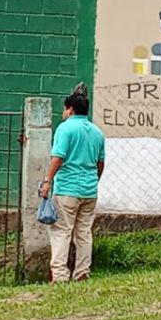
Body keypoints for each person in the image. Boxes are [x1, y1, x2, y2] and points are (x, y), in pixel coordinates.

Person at [39, 85, 106, 282]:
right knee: (84, 233)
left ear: (70, 109)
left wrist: (47, 181)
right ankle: (82, 272)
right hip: (89, 191)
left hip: (67, 189)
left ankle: (59, 275)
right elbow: (100, 163)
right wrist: (93, 180)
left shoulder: (65, 128)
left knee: (61, 232)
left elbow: (58, 157)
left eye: (64, 109)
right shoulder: (97, 132)